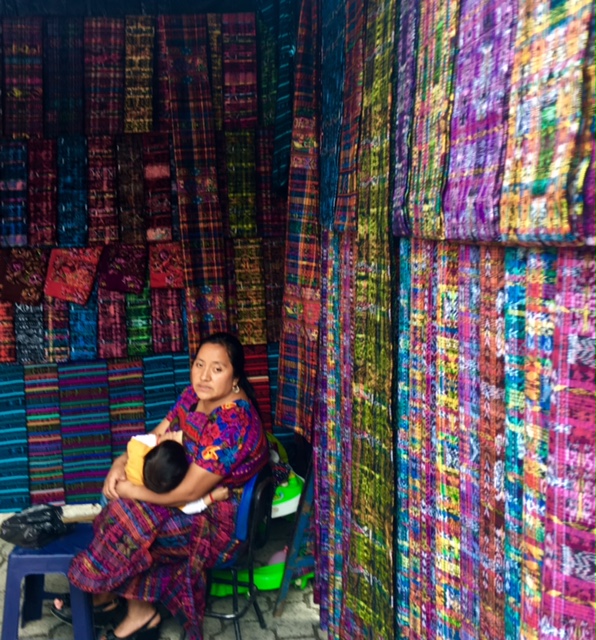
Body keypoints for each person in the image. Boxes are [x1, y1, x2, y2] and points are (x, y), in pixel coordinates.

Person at [57, 332, 270, 640]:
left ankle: (123, 605)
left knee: (128, 521)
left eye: (217, 369)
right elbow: (153, 440)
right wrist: (120, 463)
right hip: (187, 499)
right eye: (199, 364)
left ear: (235, 377)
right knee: (121, 505)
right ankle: (118, 601)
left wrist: (131, 491)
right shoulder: (192, 397)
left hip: (218, 521)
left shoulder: (233, 423)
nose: (204, 376)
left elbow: (189, 492)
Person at [126, 431, 229, 513]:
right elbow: (190, 508)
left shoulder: (137, 449)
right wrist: (212, 497)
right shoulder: (177, 490)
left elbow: (134, 439)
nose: (173, 433)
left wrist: (160, 440)